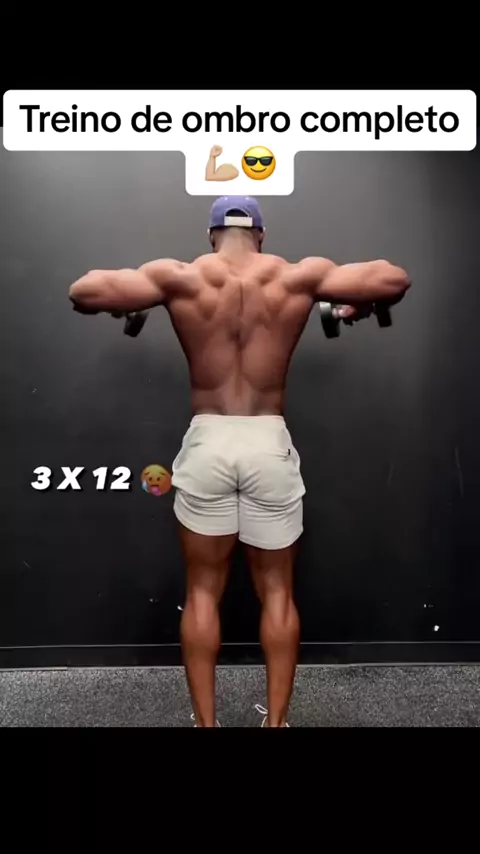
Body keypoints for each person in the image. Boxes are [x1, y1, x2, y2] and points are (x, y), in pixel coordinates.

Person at [69, 195, 411, 727]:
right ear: (262, 234)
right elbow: (394, 279)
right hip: (266, 439)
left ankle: (206, 726)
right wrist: (352, 304)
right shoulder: (299, 276)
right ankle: (276, 725)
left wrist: (138, 298)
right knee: (277, 592)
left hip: (208, 440)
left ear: (211, 235)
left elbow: (84, 291)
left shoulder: (179, 276)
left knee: (203, 591)